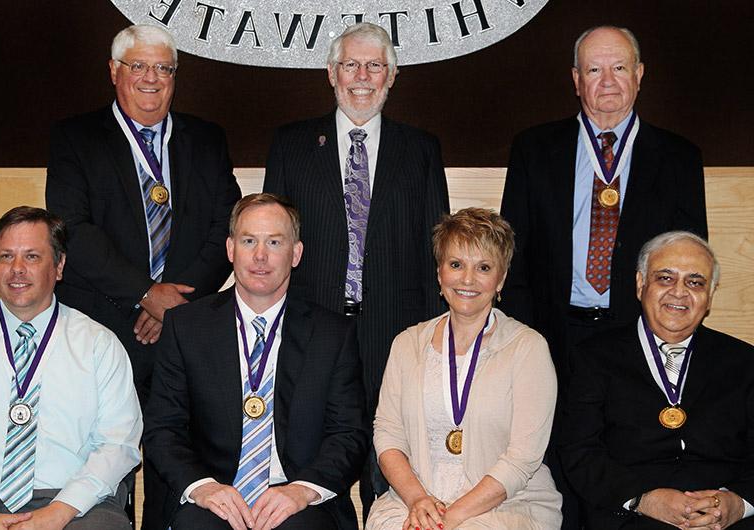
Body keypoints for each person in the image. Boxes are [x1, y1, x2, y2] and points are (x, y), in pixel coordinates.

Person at [499, 25, 708, 528]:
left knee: (624, 459)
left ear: (639, 75)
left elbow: (691, 261)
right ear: (576, 80)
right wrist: (528, 338)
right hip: (555, 332)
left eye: (619, 68)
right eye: (594, 69)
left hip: (637, 338)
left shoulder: (680, 157)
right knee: (559, 460)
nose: (607, 81)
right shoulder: (534, 149)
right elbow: (514, 259)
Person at [45, 24, 241, 528]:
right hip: (105, 329)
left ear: (176, 77)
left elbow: (228, 224)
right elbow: (73, 229)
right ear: (114, 72)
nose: (151, 78)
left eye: (163, 68)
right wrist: (144, 294)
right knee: (103, 466)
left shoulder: (206, 137)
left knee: (175, 461)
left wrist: (173, 304)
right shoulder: (75, 138)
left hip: (185, 328)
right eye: (138, 66)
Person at [263, 21, 450, 514]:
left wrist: (435, 332)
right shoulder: (292, 143)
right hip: (314, 322)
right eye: (351, 65)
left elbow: (437, 247)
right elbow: (275, 240)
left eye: (374, 66)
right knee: (317, 447)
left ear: (392, 76)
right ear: (331, 73)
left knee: (389, 451)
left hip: (397, 327)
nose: (362, 76)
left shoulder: (421, 149)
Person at [143, 193, 368, 530]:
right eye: (249, 241)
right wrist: (202, 487)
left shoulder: (332, 334)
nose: (260, 255)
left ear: (296, 253)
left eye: (274, 242)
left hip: (296, 500)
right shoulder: (186, 326)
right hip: (213, 495)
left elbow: (349, 434)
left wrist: (301, 491)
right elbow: (163, 430)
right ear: (231, 249)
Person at [367, 208, 562, 530]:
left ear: (501, 279)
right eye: (456, 264)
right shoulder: (406, 344)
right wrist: (417, 501)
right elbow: (388, 433)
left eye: (483, 267)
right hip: (413, 501)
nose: (467, 279)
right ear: (439, 273)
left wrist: (448, 520)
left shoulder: (528, 348)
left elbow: (523, 458)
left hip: (506, 504)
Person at [0, 206, 142, 530]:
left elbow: (119, 443)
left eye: (32, 257)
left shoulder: (99, 345)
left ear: (59, 266)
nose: (17, 269)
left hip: (73, 501)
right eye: (5, 257)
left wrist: (59, 512)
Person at [560, 231, 754, 529]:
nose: (679, 292)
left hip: (725, 520)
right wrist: (643, 499)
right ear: (640, 284)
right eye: (665, 278)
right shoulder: (592, 359)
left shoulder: (744, 362)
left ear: (711, 294)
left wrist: (738, 503)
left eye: (695, 282)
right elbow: (579, 452)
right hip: (631, 514)